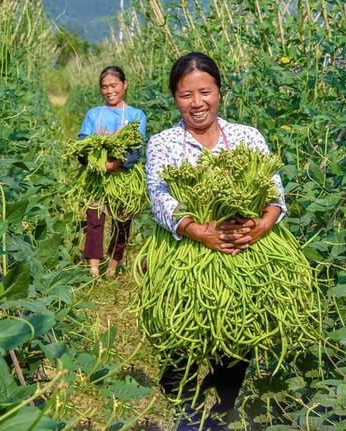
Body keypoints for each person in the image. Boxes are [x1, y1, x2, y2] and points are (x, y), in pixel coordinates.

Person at [145, 52, 286, 430]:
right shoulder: (163, 143)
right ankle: (186, 414)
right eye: (185, 95)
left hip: (246, 253)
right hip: (186, 258)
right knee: (181, 345)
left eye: (204, 92)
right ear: (174, 98)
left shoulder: (247, 136)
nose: (196, 103)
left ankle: (221, 413)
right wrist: (198, 229)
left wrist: (262, 225)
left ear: (219, 92)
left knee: (236, 342)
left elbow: (275, 195)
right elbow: (160, 199)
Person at [78, 66, 147, 278]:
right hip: (97, 178)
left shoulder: (136, 115)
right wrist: (93, 160)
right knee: (94, 221)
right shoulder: (94, 114)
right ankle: (94, 268)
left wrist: (115, 163)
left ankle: (112, 266)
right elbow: (82, 143)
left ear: (124, 85)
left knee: (122, 223)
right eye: (104, 87)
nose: (109, 91)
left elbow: (136, 150)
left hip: (124, 180)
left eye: (113, 85)